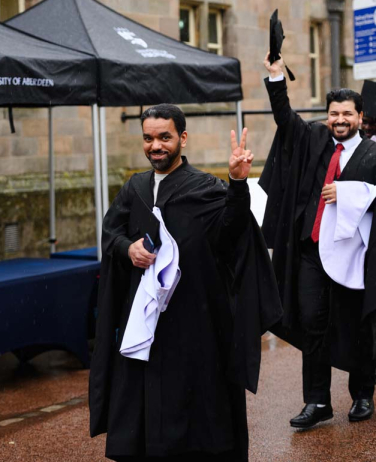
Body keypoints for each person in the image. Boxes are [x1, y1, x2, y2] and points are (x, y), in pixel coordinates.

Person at [89, 103, 282, 461]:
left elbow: (232, 233)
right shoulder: (135, 188)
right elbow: (110, 233)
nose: (155, 146)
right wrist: (127, 248)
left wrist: (238, 183)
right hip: (145, 321)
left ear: (183, 138)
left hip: (193, 319)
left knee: (195, 410)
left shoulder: (205, 187)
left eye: (164, 137)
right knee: (143, 405)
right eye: (148, 138)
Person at [260, 53, 376, 430]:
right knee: (311, 322)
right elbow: (285, 119)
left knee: (356, 324)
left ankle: (362, 393)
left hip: (354, 255)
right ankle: (317, 401)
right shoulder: (314, 139)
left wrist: (350, 193)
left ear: (360, 117)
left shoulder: (372, 153)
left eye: (347, 114)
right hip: (311, 251)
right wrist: (276, 77)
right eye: (334, 113)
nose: (340, 120)